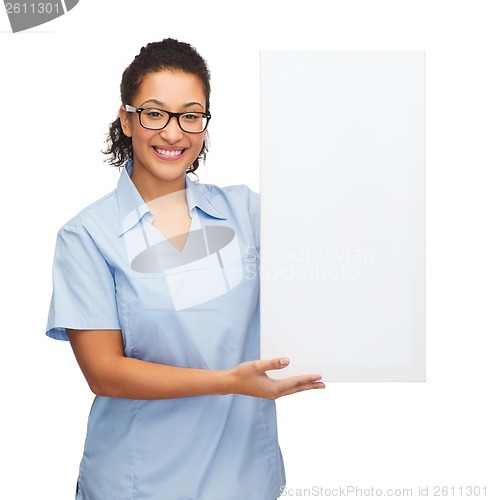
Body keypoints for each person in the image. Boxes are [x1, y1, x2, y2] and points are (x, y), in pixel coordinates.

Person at [46, 38, 325, 500]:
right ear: (127, 119)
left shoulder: (246, 213)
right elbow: (105, 372)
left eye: (190, 115)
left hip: (245, 480)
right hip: (140, 484)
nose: (174, 133)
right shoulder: (87, 236)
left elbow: (335, 243)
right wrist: (228, 383)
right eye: (155, 113)